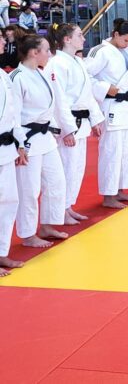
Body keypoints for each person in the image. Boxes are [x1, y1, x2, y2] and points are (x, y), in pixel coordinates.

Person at [10, 34, 69, 247]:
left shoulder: (41, 73)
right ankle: (27, 235)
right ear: (35, 53)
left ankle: (47, 224)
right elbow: (13, 116)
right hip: (28, 139)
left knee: (56, 181)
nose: (50, 54)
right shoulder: (17, 77)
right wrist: (19, 144)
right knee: (29, 189)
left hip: (46, 137)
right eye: (46, 50)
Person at [44, 23, 103, 224]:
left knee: (76, 169)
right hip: (68, 124)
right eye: (79, 35)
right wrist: (67, 129)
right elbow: (59, 101)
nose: (84, 39)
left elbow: (88, 94)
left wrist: (96, 119)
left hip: (82, 122)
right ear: (67, 39)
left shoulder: (77, 61)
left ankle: (68, 206)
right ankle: (59, 211)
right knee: (65, 170)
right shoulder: (57, 63)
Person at [85, 19, 128, 209]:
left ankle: (121, 189)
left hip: (124, 107)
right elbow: (86, 76)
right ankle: (108, 195)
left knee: (126, 152)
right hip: (110, 105)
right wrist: (105, 87)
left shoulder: (123, 52)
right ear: (115, 35)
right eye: (126, 40)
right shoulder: (100, 51)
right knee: (111, 153)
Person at [0, 32, 25, 275]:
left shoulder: (3, 75)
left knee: (8, 201)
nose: (3, 42)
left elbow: (14, 113)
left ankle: (2, 253)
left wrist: (20, 143)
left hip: (6, 146)